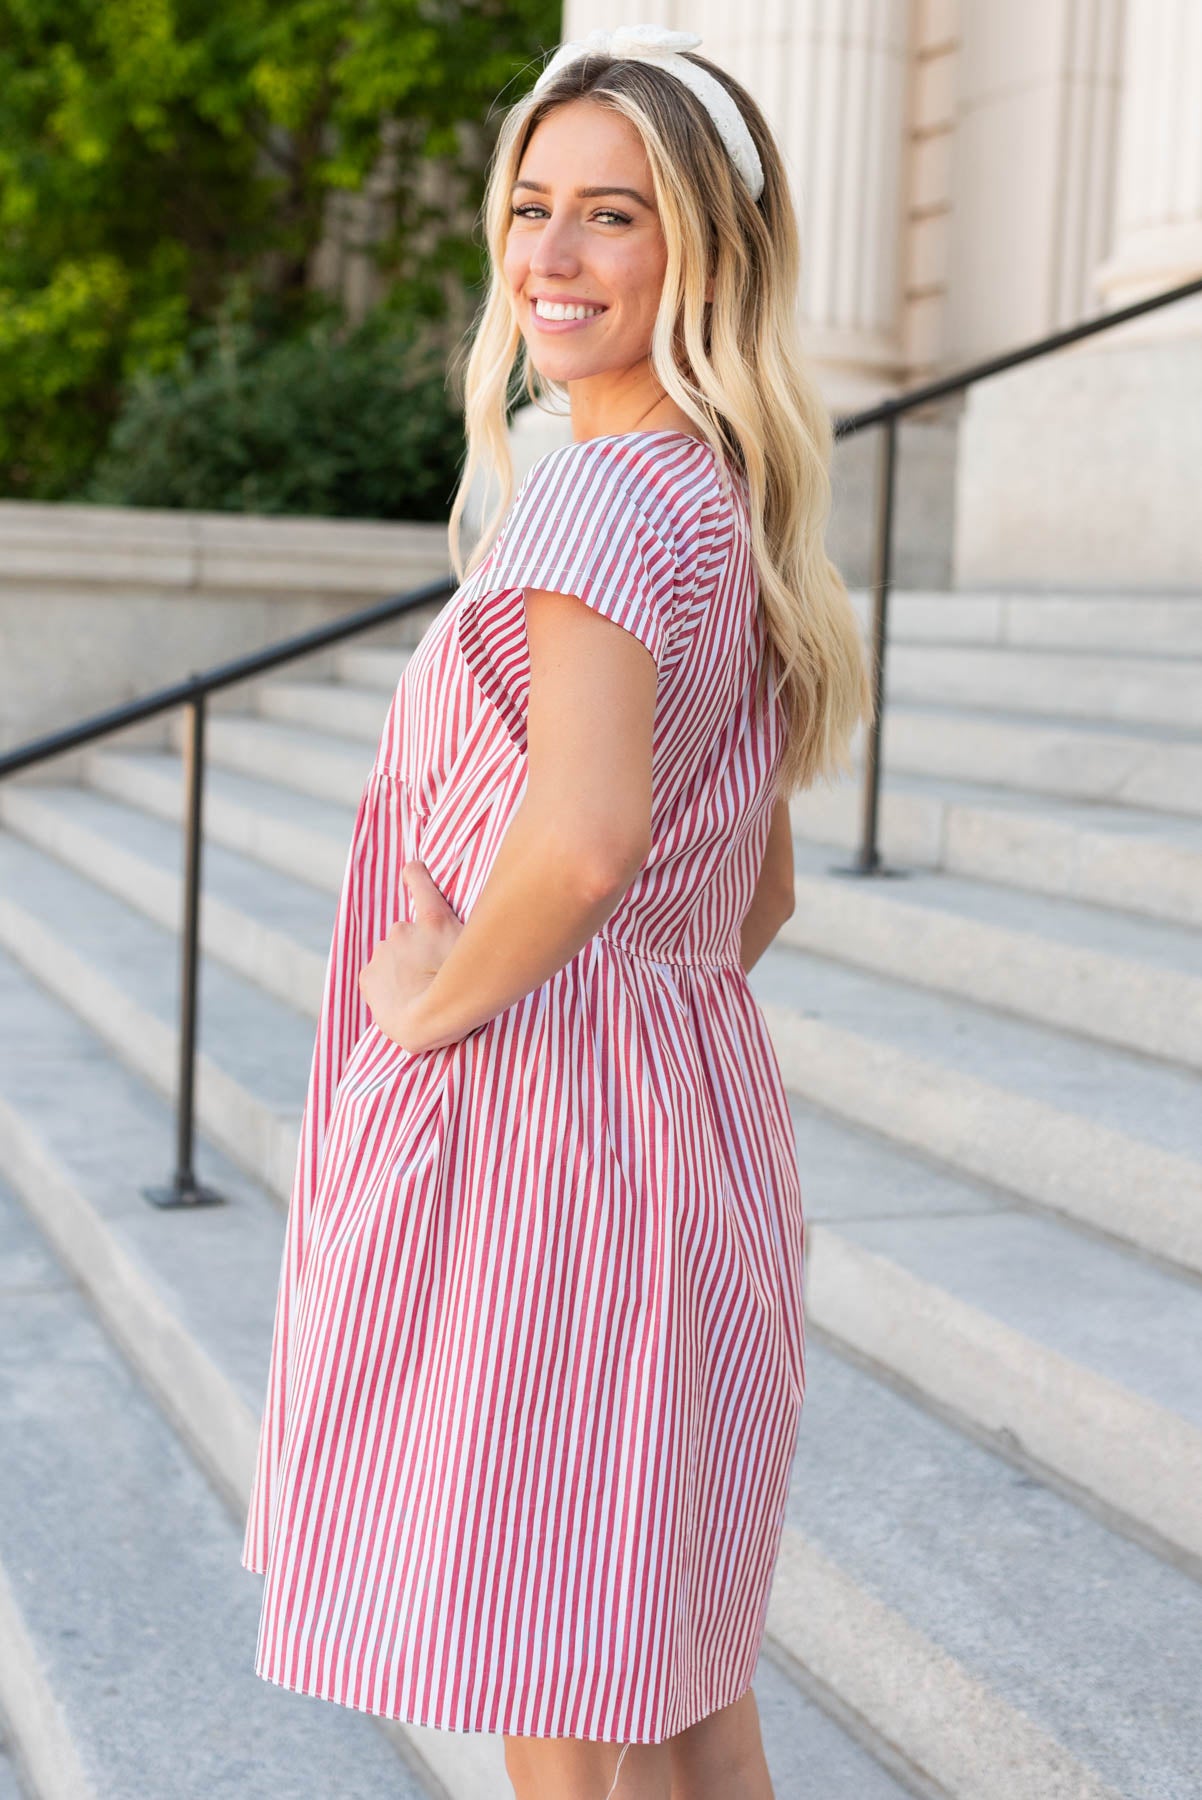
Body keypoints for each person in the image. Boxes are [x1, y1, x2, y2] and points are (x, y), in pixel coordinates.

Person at [240, 21, 872, 1800]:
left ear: (703, 254)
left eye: (614, 216)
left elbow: (586, 845)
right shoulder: (724, 506)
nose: (554, 257)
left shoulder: (596, 501)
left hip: (547, 1138)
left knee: (566, 1687)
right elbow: (751, 888)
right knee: (669, 1674)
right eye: (534, 209)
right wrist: (646, 1016)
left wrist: (428, 1008)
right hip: (684, 1119)